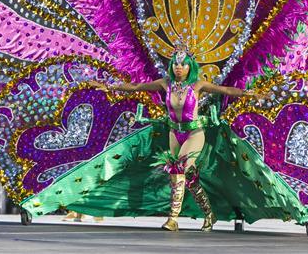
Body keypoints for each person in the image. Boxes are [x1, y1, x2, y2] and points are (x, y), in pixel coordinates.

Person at [89, 47, 261, 231]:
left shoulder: (198, 85)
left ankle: (172, 219)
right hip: (174, 133)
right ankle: (209, 214)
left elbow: (225, 89)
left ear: (190, 67)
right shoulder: (166, 84)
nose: (179, 67)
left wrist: (248, 94)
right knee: (188, 176)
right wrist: (109, 86)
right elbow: (136, 87)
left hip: (194, 133)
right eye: (176, 64)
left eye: (183, 64)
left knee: (179, 168)